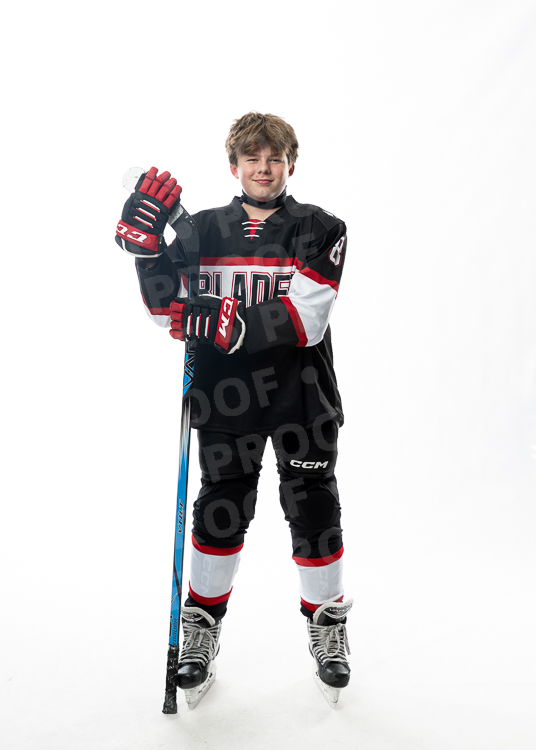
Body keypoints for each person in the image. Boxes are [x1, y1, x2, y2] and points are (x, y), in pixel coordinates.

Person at [115, 112, 352, 708]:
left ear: (291, 164)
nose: (263, 168)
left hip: (301, 397)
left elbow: (307, 319)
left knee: (314, 508)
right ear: (234, 166)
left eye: (275, 158)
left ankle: (327, 624)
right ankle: (201, 630)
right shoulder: (200, 230)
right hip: (226, 398)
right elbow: (166, 310)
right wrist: (147, 254)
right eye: (252, 158)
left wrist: (230, 320)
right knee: (221, 511)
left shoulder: (322, 228)